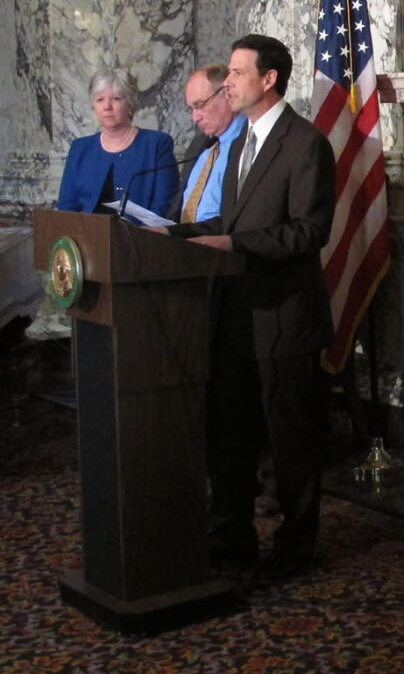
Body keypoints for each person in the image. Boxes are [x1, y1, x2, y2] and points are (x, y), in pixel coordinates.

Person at [164, 34, 336, 581]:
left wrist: (234, 246)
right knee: (231, 436)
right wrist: (174, 232)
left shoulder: (306, 144)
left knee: (290, 441)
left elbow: (310, 231)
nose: (227, 83)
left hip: (284, 317)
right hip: (235, 316)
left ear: (269, 79)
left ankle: (296, 546)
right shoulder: (237, 145)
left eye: (236, 74)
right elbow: (232, 225)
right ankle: (231, 536)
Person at [56, 69, 178, 216]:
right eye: (100, 100)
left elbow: (164, 205)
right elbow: (66, 207)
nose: (107, 107)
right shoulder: (80, 148)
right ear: (93, 106)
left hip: (139, 235)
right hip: (86, 235)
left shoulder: (156, 145)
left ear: (130, 104)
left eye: (116, 99)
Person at [171, 64, 246, 223]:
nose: (195, 118)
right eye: (191, 109)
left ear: (227, 93)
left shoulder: (250, 141)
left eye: (200, 105)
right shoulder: (200, 145)